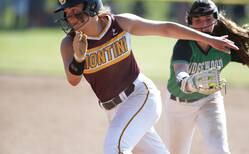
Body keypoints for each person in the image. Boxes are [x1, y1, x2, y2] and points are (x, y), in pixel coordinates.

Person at [53, 0, 238, 153]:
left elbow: (164, 29)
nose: (71, 17)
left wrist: (209, 39)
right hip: (114, 111)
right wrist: (78, 57)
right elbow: (73, 80)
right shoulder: (69, 43)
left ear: (91, 5)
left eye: (75, 10)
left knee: (114, 148)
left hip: (140, 97)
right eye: (67, 13)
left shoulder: (118, 23)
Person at [165, 0, 249, 154]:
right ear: (189, 22)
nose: (203, 24)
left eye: (208, 19)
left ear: (216, 19)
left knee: (219, 150)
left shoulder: (226, 44)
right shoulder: (184, 44)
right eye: (197, 20)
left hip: (209, 100)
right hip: (178, 105)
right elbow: (180, 70)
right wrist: (187, 81)